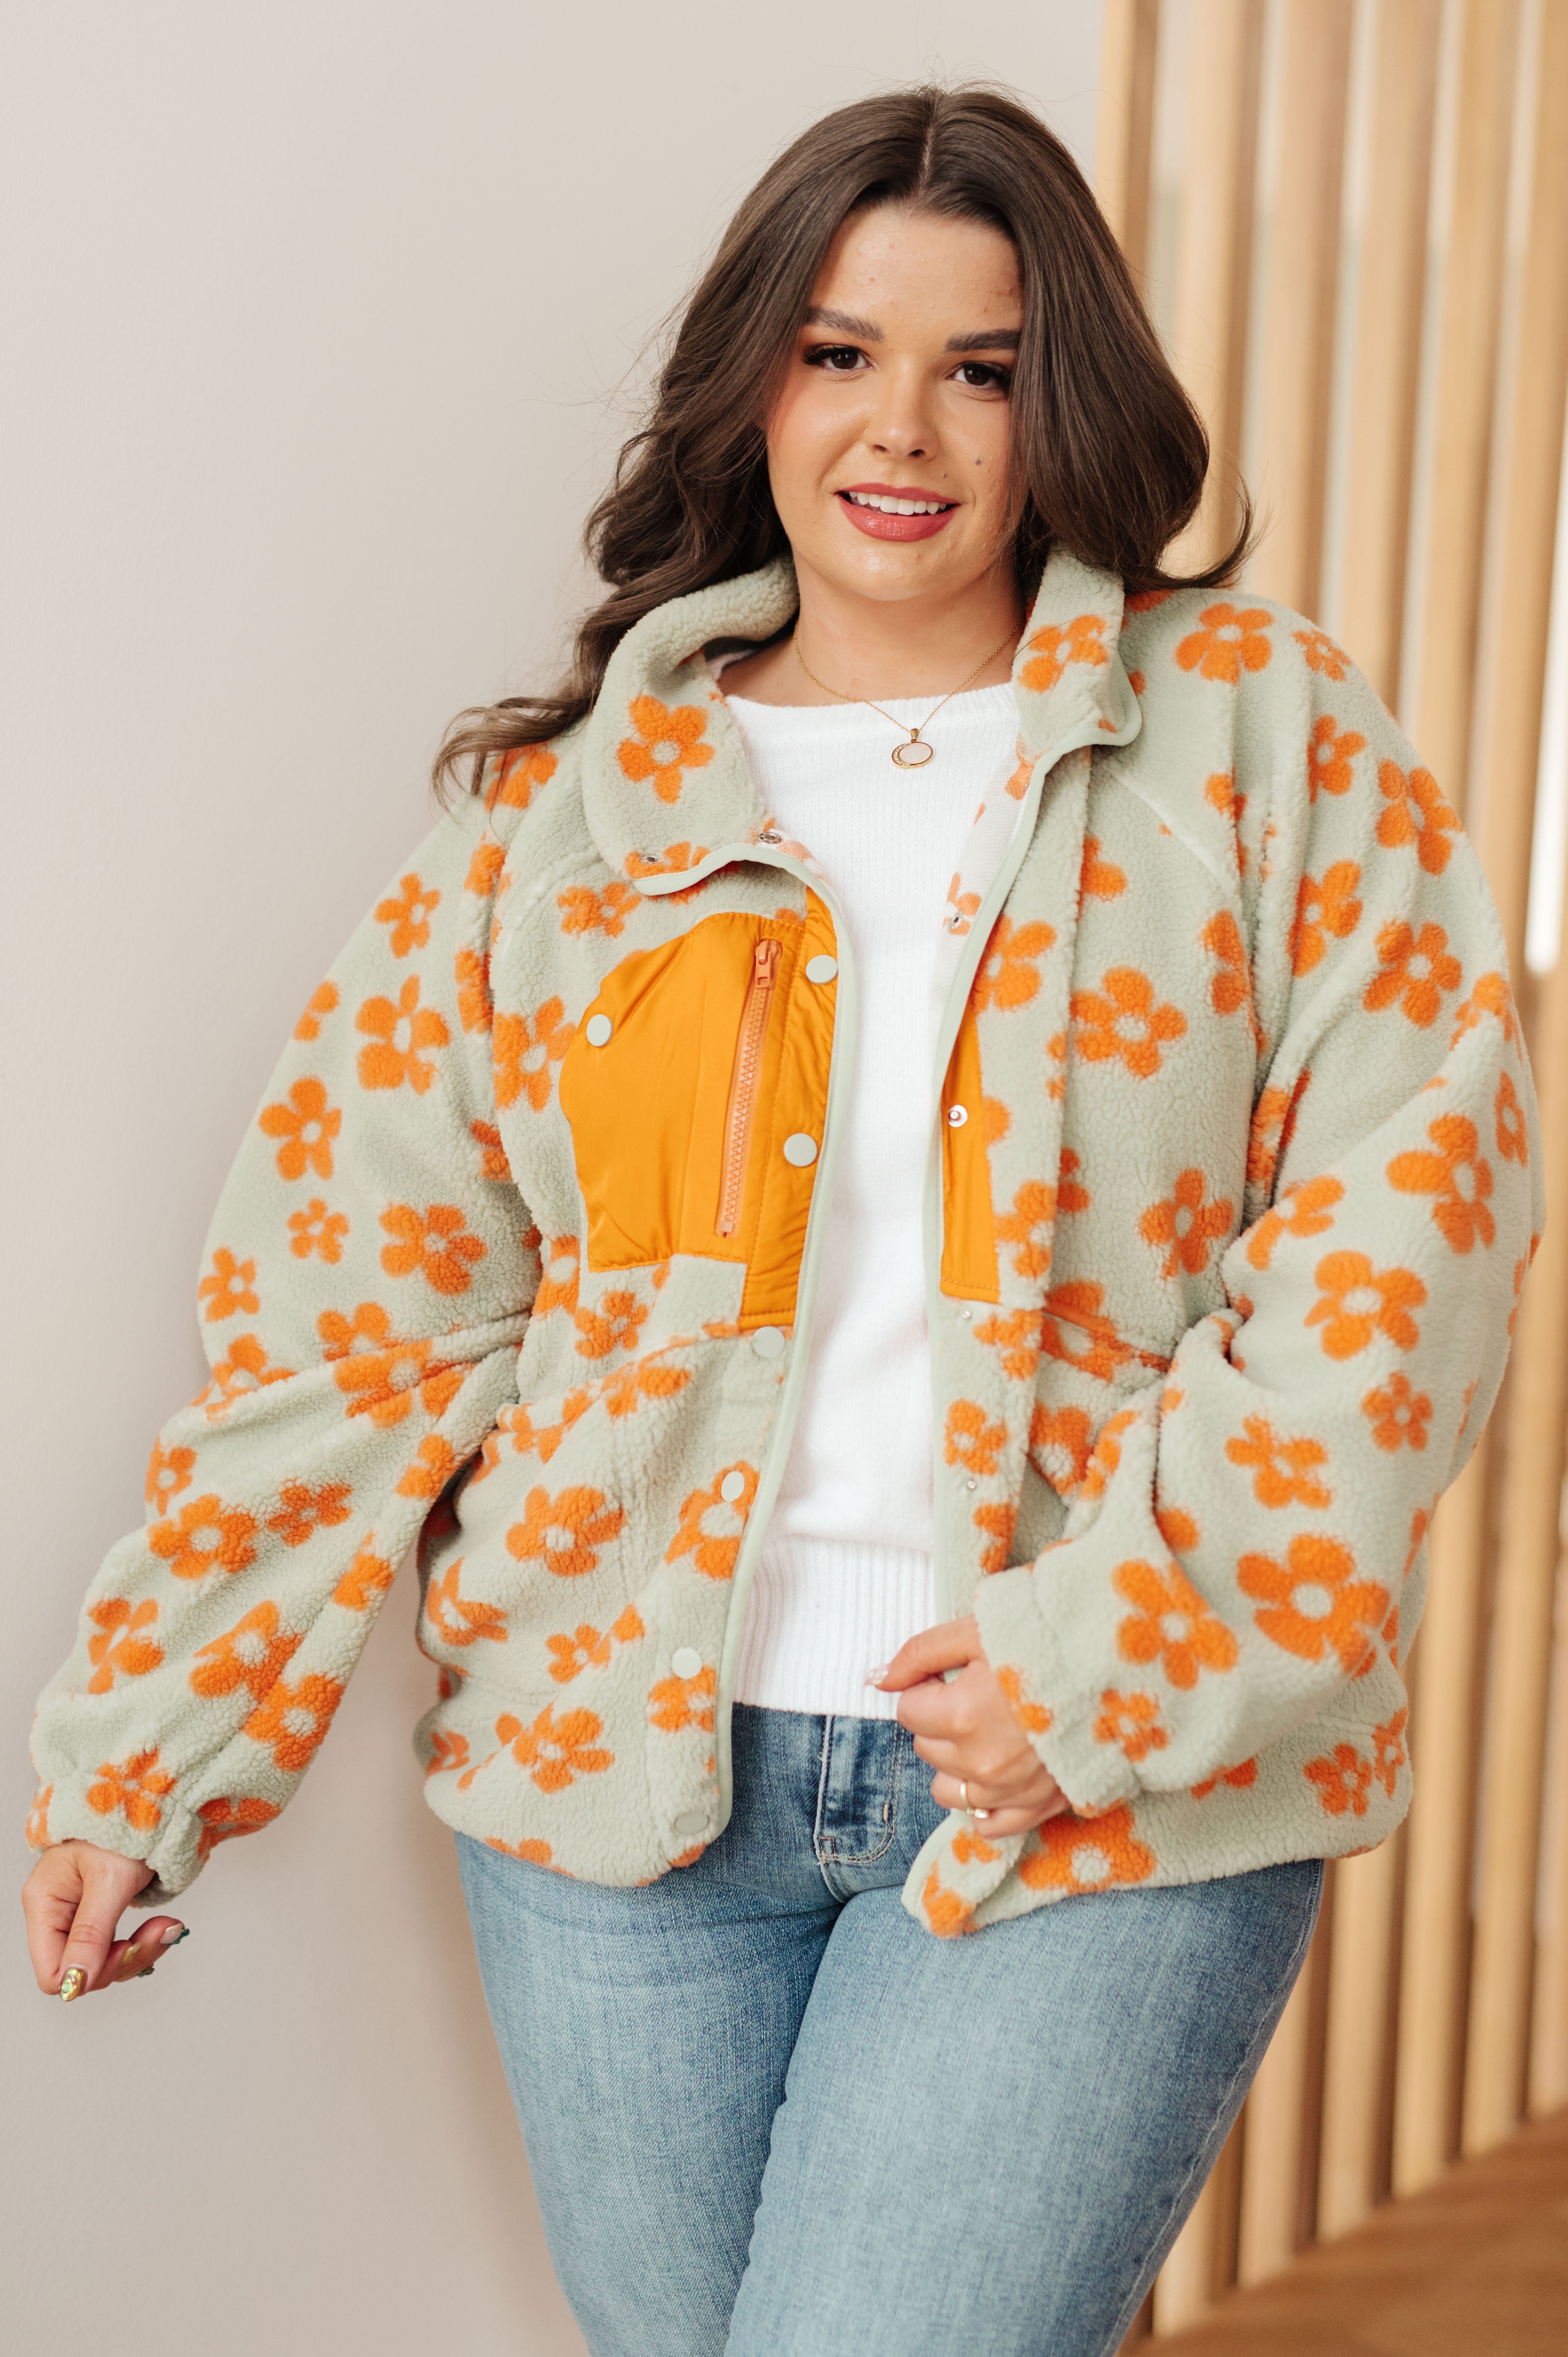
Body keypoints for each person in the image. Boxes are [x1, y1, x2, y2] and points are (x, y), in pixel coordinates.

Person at [21, 82, 1540, 2357]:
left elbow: (1402, 1227)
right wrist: (148, 1753)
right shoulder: (563, 828)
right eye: (839, 352)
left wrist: (1106, 1650)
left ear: (1068, 397)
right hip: (616, 1797)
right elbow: (356, 1317)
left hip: (1090, 1782)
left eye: (983, 365)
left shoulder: (1258, 734)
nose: (900, 427)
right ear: (755, 381)